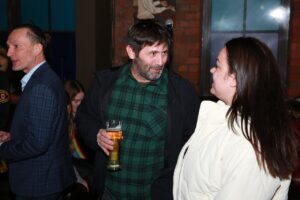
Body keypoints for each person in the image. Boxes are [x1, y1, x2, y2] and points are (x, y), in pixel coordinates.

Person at [76, 19, 200, 200]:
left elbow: (194, 143)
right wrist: (96, 135)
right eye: (153, 53)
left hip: (154, 195)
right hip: (109, 192)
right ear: (131, 52)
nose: (160, 61)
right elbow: (83, 119)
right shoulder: (105, 83)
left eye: (164, 52)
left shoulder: (181, 92)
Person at [173, 37, 299, 200]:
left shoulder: (253, 146)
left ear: (234, 79)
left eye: (218, 65)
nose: (212, 70)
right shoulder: (222, 119)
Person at [0, 24, 75, 200]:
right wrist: (13, 137)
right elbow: (42, 131)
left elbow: (37, 144)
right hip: (41, 180)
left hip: (39, 184)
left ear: (37, 48)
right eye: (9, 46)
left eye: (16, 46)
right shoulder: (42, 78)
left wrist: (2, 147)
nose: (9, 53)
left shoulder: (41, 85)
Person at [64, 80, 94, 193]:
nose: (80, 105)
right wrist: (79, 179)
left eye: (82, 101)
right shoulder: (63, 121)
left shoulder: (83, 117)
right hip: (72, 167)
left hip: (84, 164)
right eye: (76, 101)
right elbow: (65, 156)